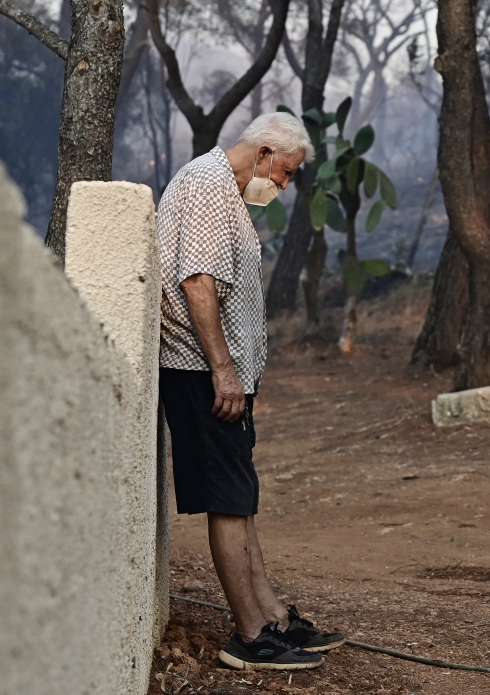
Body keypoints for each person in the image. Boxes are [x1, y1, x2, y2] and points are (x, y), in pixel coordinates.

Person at [156, 113, 345, 671]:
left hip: (215, 372)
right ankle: (250, 635)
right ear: (263, 153)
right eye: (285, 172)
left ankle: (274, 618)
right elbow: (197, 282)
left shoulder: (224, 188)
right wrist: (223, 369)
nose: (284, 184)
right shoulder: (209, 185)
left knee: (239, 498)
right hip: (202, 372)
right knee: (228, 499)